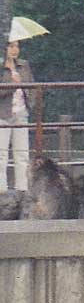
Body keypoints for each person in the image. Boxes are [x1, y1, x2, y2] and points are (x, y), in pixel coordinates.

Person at [0, 39, 34, 193]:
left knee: (22, 154)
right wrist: (12, 85)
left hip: (21, 112)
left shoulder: (23, 65)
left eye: (17, 46)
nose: (15, 50)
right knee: (2, 154)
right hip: (3, 113)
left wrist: (30, 104)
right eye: (11, 46)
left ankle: (22, 188)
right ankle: (2, 189)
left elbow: (32, 86)